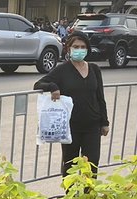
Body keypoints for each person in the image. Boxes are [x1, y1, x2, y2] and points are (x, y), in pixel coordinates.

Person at [33, 32, 110, 176]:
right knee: (70, 165)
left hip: (92, 126)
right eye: (75, 46)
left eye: (82, 47)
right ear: (68, 48)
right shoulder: (63, 70)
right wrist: (53, 87)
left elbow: (100, 96)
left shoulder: (94, 69)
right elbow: (38, 84)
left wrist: (104, 122)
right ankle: (70, 197)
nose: (79, 49)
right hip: (71, 127)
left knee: (91, 165)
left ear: (87, 49)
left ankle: (89, 197)